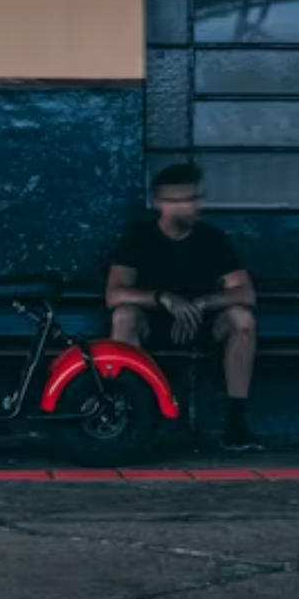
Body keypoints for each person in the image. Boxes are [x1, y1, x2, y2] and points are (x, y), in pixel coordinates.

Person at [105, 161, 263, 451]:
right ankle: (132, 417)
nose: (194, 206)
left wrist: (203, 301)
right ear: (161, 204)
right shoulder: (139, 237)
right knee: (124, 316)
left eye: (195, 198)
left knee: (243, 319)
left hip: (200, 327)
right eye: (185, 200)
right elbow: (114, 294)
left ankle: (235, 423)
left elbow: (245, 292)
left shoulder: (212, 239)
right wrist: (162, 297)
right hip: (152, 327)